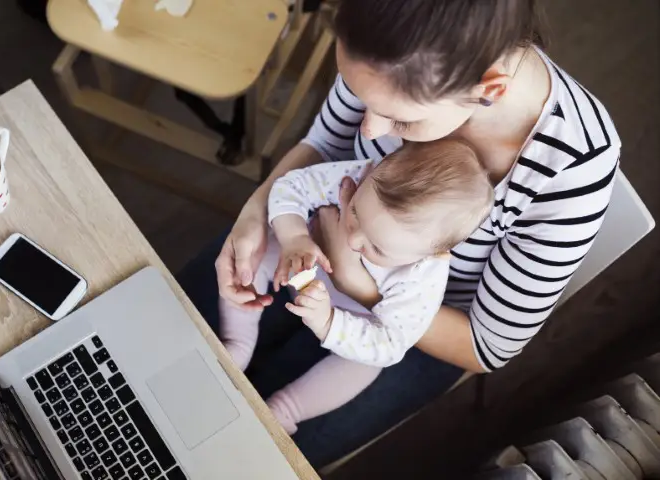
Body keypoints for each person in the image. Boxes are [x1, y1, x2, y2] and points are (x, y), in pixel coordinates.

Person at [177, 0, 620, 468]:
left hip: (417, 327)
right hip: (310, 231)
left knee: (241, 454)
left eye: (402, 120)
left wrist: (363, 288)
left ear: (489, 88)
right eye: (359, 95)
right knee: (172, 346)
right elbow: (325, 144)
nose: (370, 129)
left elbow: (487, 345)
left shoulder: (574, 166)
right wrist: (255, 212)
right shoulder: (389, 37)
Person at [220, 139, 494, 434]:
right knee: (255, 257)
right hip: (301, 262)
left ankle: (285, 410)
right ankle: (237, 343)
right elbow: (290, 187)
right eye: (355, 214)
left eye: (377, 248)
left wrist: (329, 322)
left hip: (354, 317)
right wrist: (294, 237)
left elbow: (390, 343)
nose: (352, 241)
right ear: (368, 175)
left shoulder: (424, 276)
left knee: (366, 364)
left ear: (431, 255)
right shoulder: (362, 175)